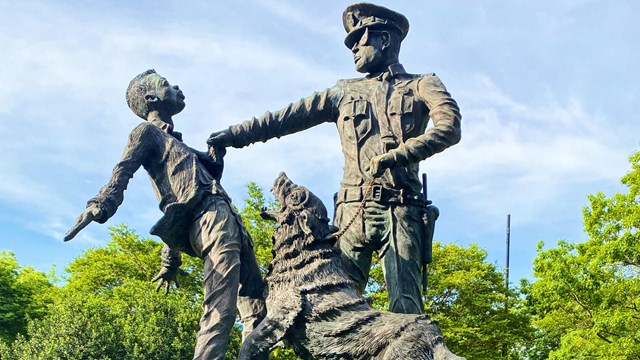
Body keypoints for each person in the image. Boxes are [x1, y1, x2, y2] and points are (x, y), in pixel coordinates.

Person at [207, 2, 461, 315]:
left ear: (384, 40)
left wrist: (398, 156)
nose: (353, 48)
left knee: (407, 310)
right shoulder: (343, 91)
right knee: (333, 308)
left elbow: (449, 128)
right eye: (351, 43)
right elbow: (285, 118)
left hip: (401, 209)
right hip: (351, 212)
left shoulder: (423, 84)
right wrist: (234, 135)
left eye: (360, 40)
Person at [64, 69, 266, 360]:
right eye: (167, 84)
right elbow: (125, 171)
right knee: (220, 305)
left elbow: (198, 180)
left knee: (256, 307)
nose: (176, 87)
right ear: (151, 97)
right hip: (209, 218)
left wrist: (214, 157)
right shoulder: (147, 133)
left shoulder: (180, 145)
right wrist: (101, 203)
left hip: (229, 219)